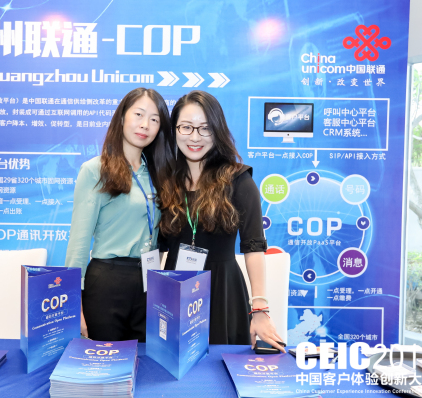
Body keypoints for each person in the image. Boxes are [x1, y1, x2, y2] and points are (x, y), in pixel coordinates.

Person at [158, 90, 285, 351]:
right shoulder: (165, 181)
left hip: (223, 291)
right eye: (186, 127)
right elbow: (156, 247)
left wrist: (260, 309)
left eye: (205, 128)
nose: (195, 137)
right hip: (174, 290)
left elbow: (253, 246)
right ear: (174, 130)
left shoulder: (238, 180)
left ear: (217, 131)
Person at [65, 87, 172, 342]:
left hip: (149, 282)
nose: (145, 125)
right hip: (107, 282)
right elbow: (79, 242)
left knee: (147, 361)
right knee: (105, 361)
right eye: (139, 114)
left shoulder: (157, 173)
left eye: (154, 119)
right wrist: (72, 303)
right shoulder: (95, 170)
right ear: (122, 117)